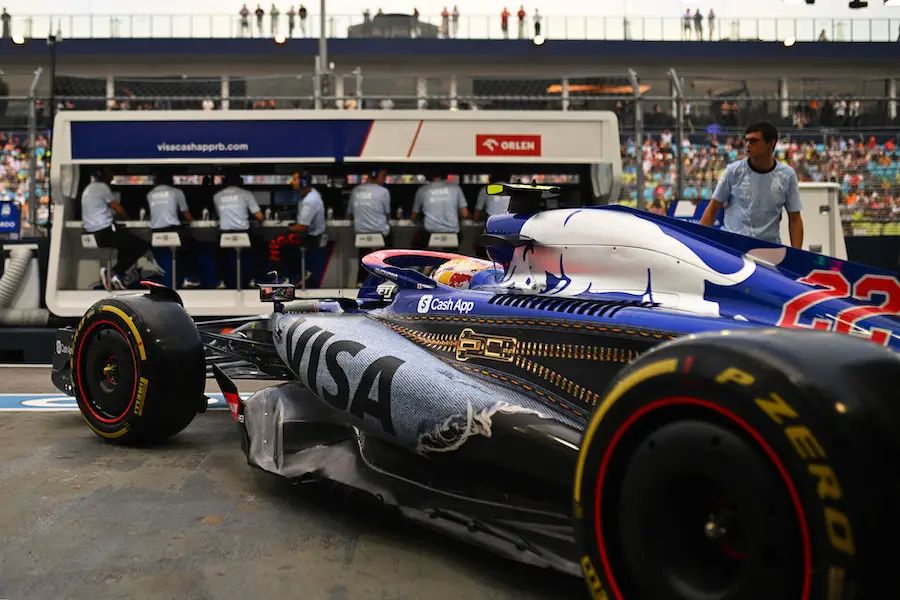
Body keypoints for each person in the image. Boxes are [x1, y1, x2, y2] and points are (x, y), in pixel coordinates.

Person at [699, 121, 804, 249]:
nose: (748, 145)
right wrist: (700, 245)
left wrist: (797, 255)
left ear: (771, 143)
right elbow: (713, 209)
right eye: (747, 140)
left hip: (769, 251)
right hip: (732, 249)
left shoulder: (787, 175)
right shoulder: (733, 171)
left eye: (754, 141)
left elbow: (795, 219)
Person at [80, 168, 151, 291]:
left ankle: (118, 276)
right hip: (103, 232)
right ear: (103, 175)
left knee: (125, 242)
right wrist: (129, 219)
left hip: (90, 233)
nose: (112, 177)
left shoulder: (88, 188)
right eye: (110, 174)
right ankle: (112, 272)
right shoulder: (103, 187)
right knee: (141, 245)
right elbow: (117, 208)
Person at [212, 172, 267, 289]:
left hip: (225, 236)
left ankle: (221, 281)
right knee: (262, 243)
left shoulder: (217, 196)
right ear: (240, 182)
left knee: (216, 250)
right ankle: (256, 278)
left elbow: (221, 214)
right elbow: (260, 217)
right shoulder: (246, 194)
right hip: (244, 234)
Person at [146, 171, 200, 288]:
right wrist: (194, 220)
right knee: (193, 246)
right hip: (172, 230)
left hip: (155, 233)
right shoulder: (177, 192)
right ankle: (190, 277)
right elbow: (186, 214)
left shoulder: (150, 194)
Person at [347, 168, 392, 285]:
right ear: (375, 175)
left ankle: (360, 281)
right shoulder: (383, 191)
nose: (385, 178)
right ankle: (385, 279)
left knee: (364, 254)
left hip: (360, 234)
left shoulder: (356, 191)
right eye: (383, 175)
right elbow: (388, 215)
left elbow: (349, 214)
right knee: (389, 248)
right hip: (380, 234)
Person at [282, 171, 326, 285]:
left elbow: (301, 228)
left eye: (295, 179)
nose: (292, 182)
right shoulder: (308, 195)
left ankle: (299, 274)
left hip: (311, 238)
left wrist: (287, 228)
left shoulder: (310, 200)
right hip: (308, 234)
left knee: (279, 241)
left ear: (303, 182)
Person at [411, 171, 469, 251]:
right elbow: (465, 213)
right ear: (445, 176)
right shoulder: (456, 188)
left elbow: (414, 216)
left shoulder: (422, 190)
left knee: (415, 245)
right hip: (452, 234)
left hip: (429, 234)